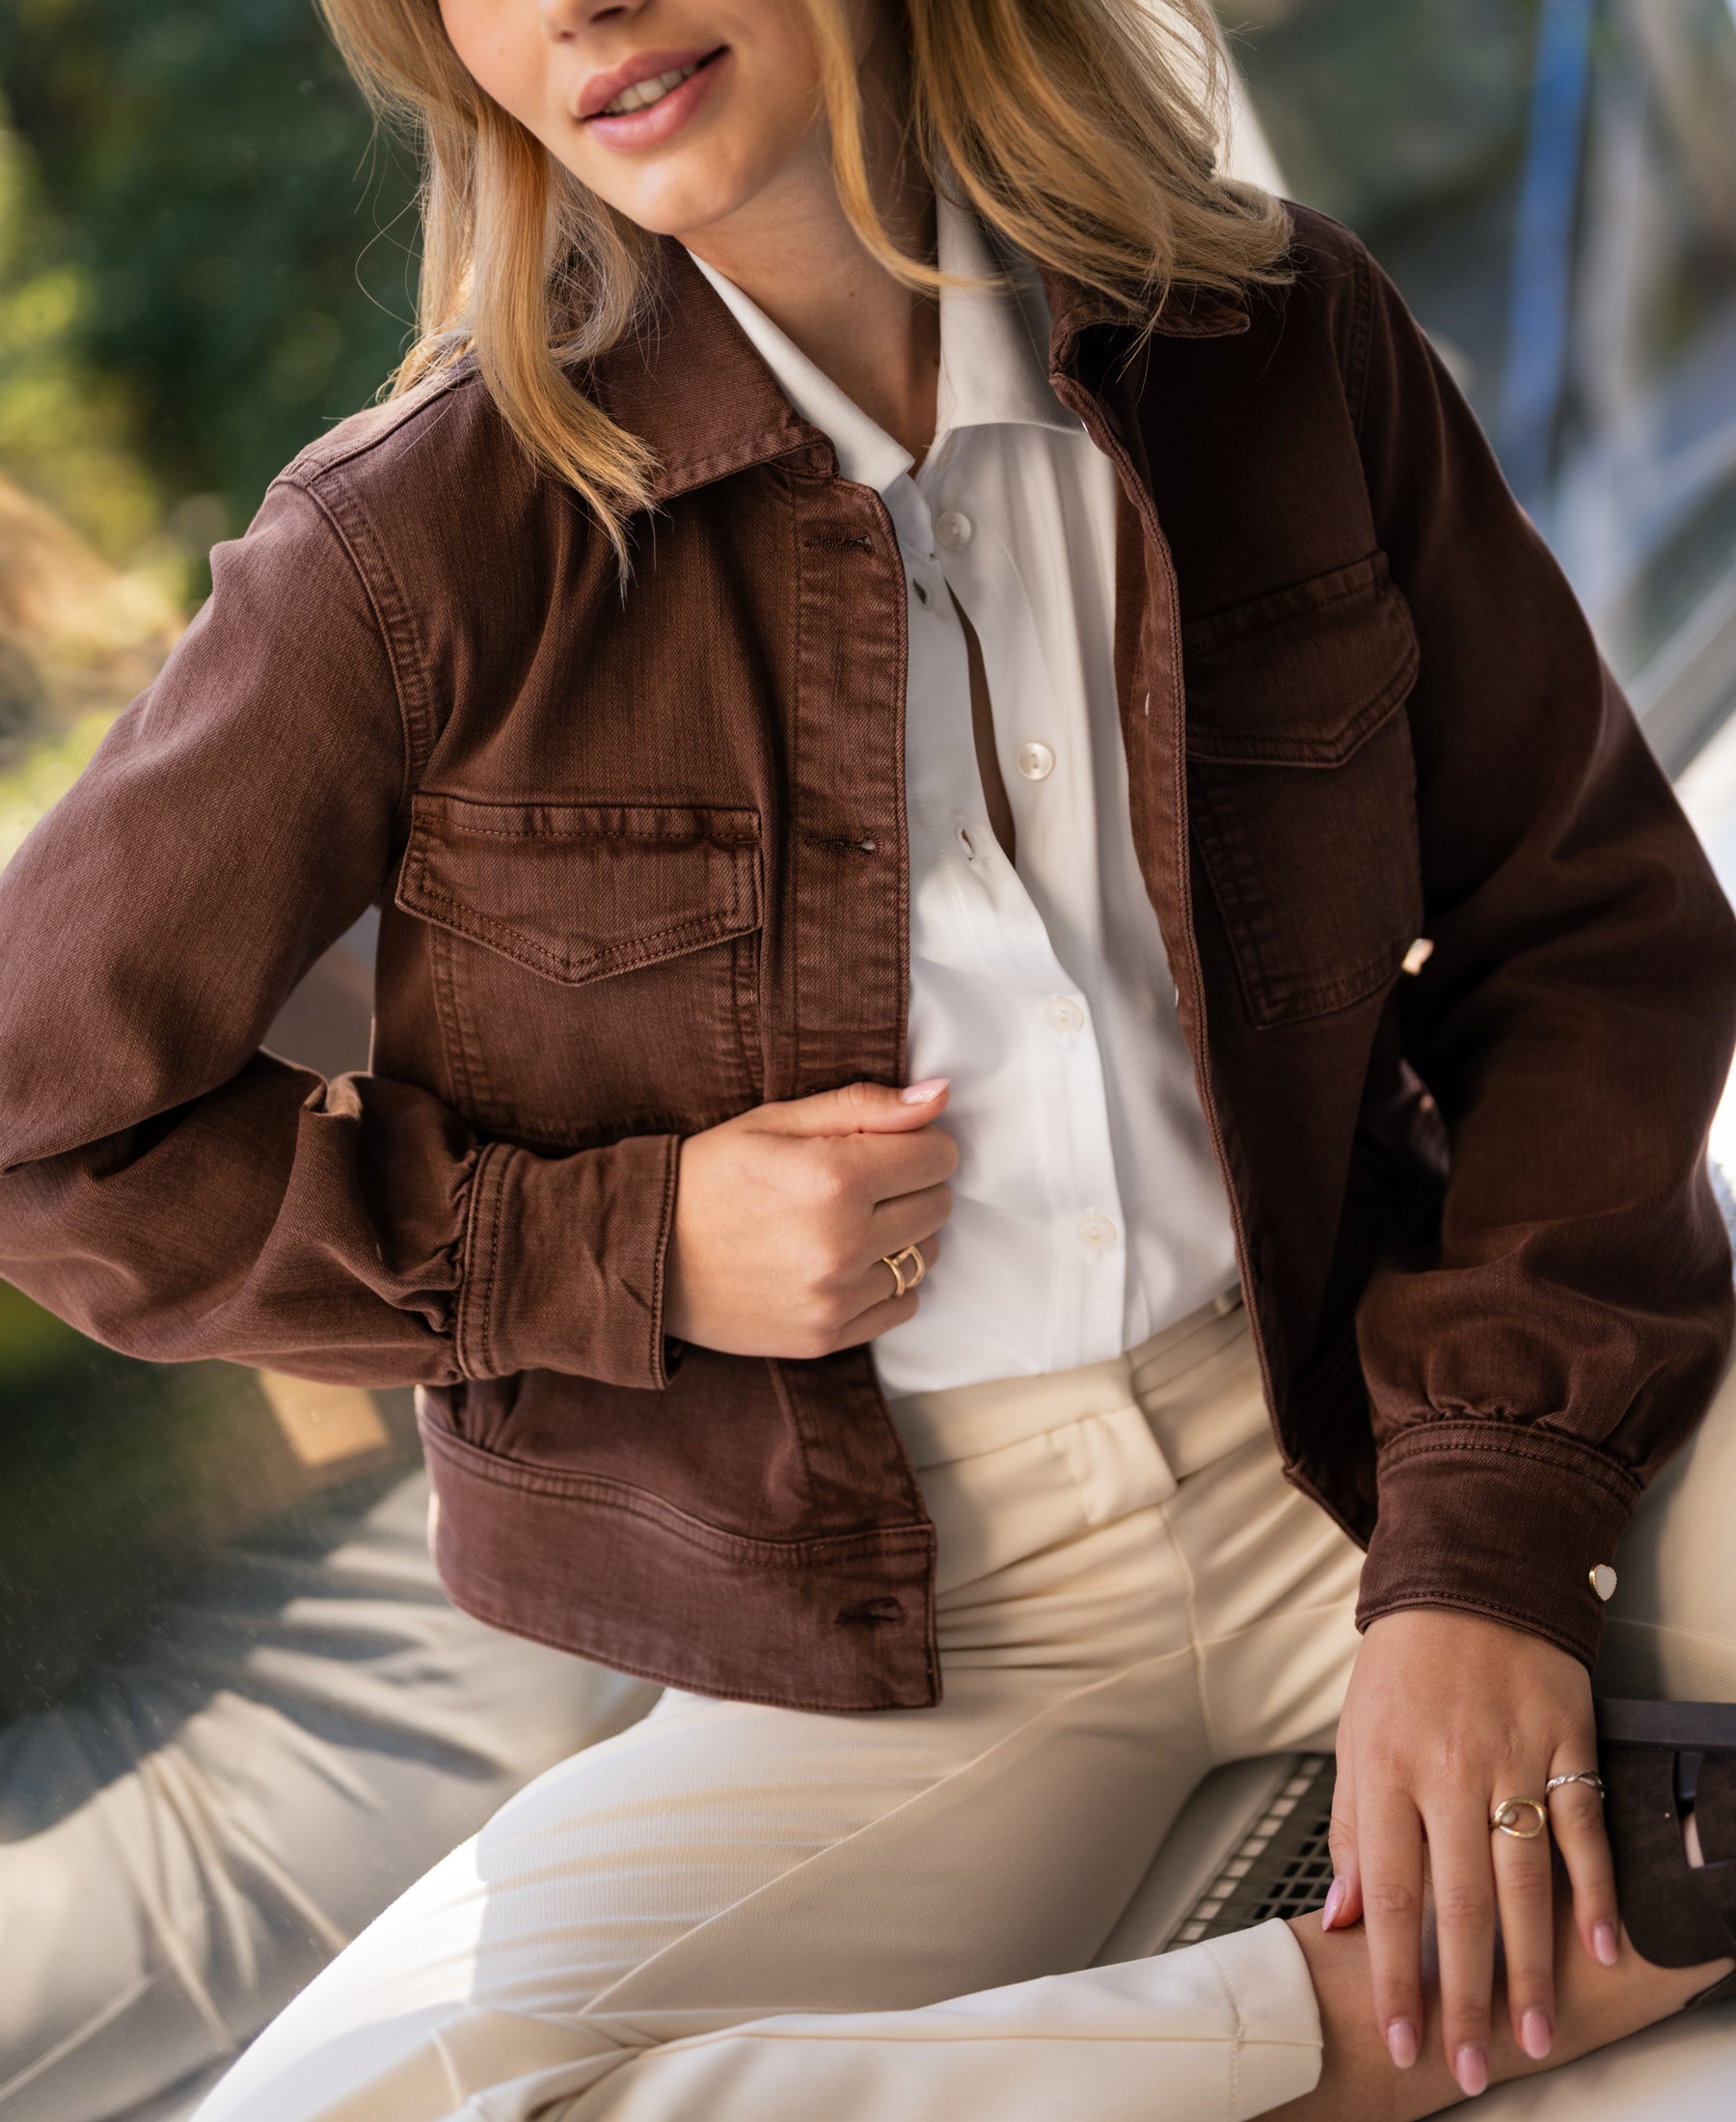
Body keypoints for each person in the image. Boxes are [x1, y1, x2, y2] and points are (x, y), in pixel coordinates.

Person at [1, 1, 1734, 2116]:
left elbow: (1584, 929)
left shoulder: (1273, 337)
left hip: (1374, 1412)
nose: (585, 8)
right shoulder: (414, 546)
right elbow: (48, 1124)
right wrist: (621, 1244)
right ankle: (1332, 2031)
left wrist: (1481, 1552)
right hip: (910, 1618)